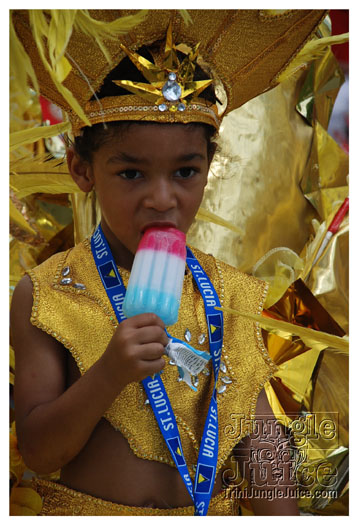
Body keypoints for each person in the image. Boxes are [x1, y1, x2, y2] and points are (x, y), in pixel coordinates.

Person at [10, 9, 327, 516]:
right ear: (82, 169)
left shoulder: (229, 293)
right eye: (132, 173)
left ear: (209, 170)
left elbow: (261, 447)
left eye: (185, 171)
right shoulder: (46, 292)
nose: (162, 198)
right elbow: (41, 451)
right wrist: (109, 373)